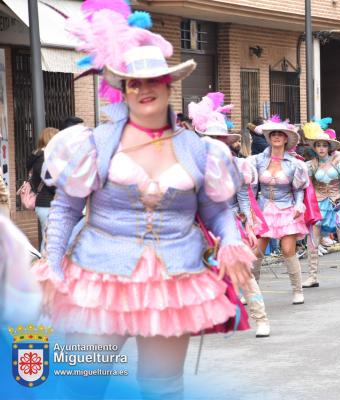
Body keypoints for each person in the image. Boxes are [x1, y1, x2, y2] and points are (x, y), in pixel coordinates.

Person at [31, 4, 254, 398]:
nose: (144, 89)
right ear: (123, 88)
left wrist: (232, 241)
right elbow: (65, 210)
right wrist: (52, 268)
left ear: (169, 84)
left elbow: (216, 210)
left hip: (173, 281)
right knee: (81, 384)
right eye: (134, 83)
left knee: (163, 387)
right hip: (99, 278)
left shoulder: (200, 151)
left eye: (154, 80)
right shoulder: (94, 143)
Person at [189, 92, 271, 338]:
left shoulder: (238, 165)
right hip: (197, 226)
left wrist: (248, 226)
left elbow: (244, 196)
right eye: (210, 138)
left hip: (227, 221)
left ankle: (261, 318)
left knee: (242, 271)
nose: (216, 142)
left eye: (219, 138)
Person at [239, 117, 309, 305]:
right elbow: (250, 189)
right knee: (255, 252)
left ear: (286, 139)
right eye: (273, 134)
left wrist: (299, 205)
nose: (276, 137)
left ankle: (297, 290)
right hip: (263, 210)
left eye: (280, 134)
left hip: (286, 209)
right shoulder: (257, 161)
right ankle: (252, 291)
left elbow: (299, 189)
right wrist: (250, 212)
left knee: (287, 250)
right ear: (268, 138)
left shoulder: (295, 164)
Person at [301, 122, 340, 288]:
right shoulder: (312, 164)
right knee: (313, 241)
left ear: (329, 147)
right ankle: (312, 276)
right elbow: (306, 188)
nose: (321, 148)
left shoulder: (339, 161)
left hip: (337, 206)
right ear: (314, 147)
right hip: (319, 207)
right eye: (318, 145)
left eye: (324, 145)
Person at [26, 127, 59, 249]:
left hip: (45, 203)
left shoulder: (40, 157)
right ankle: (44, 267)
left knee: (49, 240)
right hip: (47, 203)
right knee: (49, 242)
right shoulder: (43, 158)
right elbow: (50, 182)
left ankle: (45, 266)